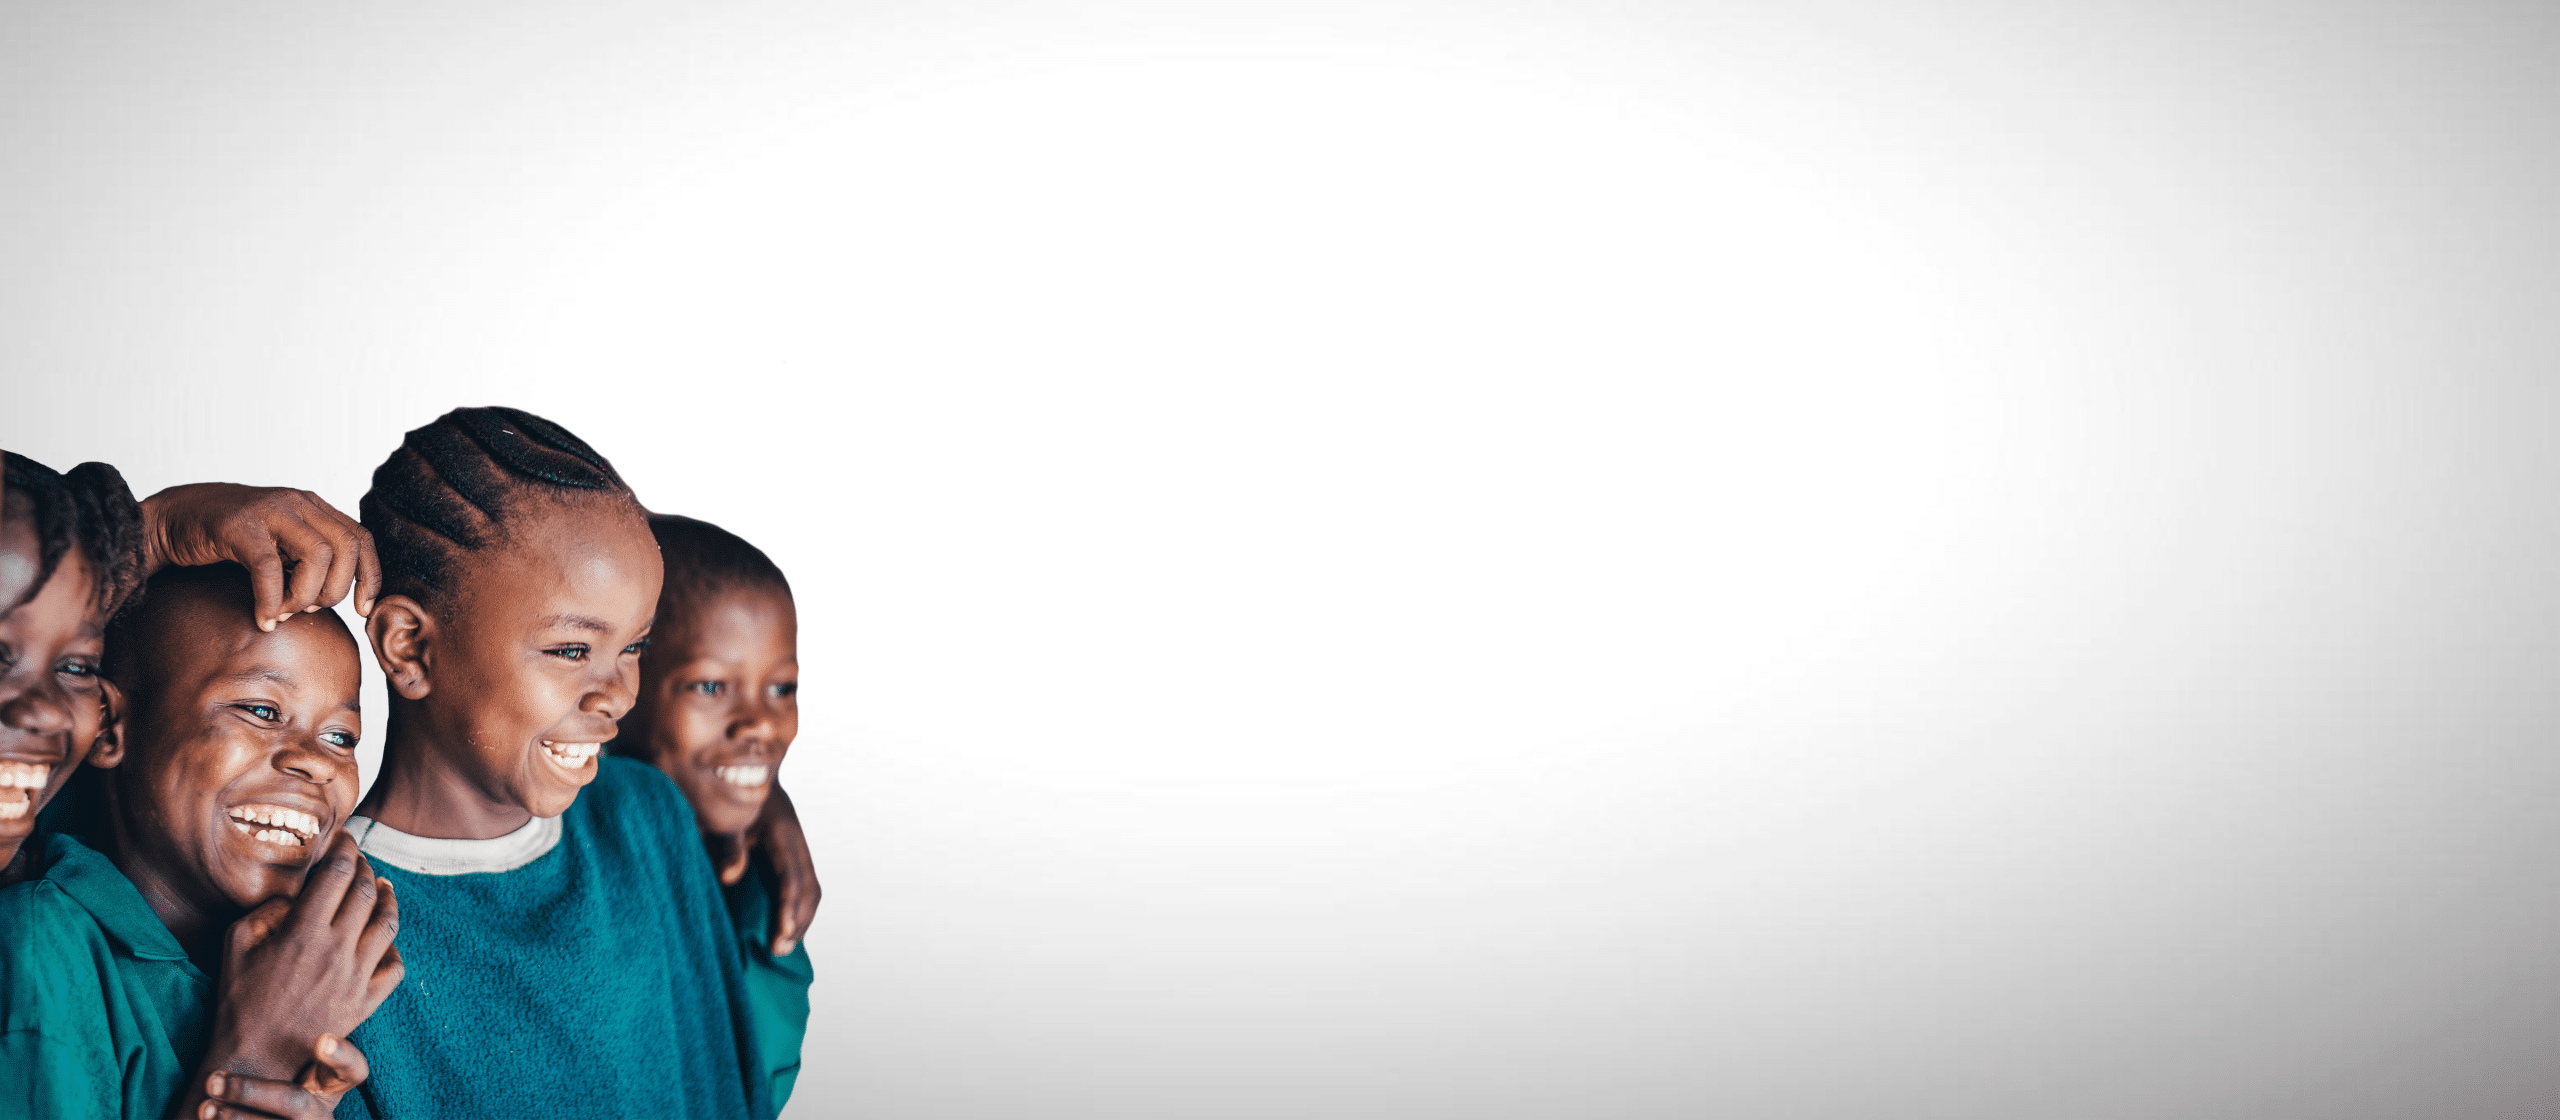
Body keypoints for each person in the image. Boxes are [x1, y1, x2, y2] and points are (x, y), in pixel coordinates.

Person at [337, 407, 772, 1120]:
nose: (618, 694)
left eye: (634, 646)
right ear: (410, 647)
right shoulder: (333, 930)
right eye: (572, 650)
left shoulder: (646, 817)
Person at [3, 560, 400, 1120]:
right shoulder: (38, 944)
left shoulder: (317, 967)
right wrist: (261, 1061)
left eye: (340, 736)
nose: (316, 762)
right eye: (261, 711)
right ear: (109, 725)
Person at [613, 513, 814, 1109]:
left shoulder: (762, 885)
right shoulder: (576, 863)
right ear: (620, 683)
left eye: (782, 688)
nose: (759, 724)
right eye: (710, 686)